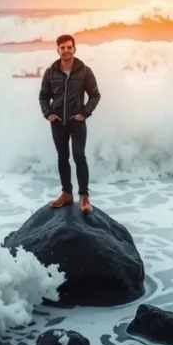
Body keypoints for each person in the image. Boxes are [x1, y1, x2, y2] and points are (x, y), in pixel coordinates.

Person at [39, 34, 101, 212]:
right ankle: (67, 194)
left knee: (79, 156)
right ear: (57, 50)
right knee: (62, 158)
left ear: (74, 49)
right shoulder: (51, 72)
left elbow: (95, 94)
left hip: (77, 122)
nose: (65, 50)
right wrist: (48, 114)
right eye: (62, 47)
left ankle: (84, 196)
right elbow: (43, 96)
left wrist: (84, 113)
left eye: (69, 47)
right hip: (58, 122)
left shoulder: (84, 71)